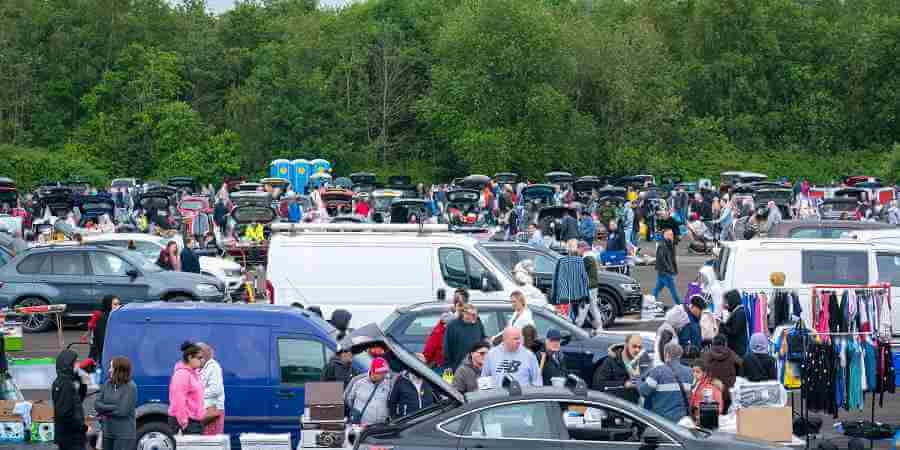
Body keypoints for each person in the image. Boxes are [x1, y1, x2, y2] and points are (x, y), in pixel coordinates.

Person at [638, 342, 693, 423]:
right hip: (682, 420)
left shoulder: (658, 371)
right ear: (680, 355)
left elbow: (644, 391)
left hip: (662, 420)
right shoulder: (689, 371)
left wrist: (638, 381)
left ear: (666, 354)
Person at [95, 357, 137, 450]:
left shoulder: (130, 387)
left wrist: (104, 410)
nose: (109, 370)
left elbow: (123, 411)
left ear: (119, 370)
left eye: (111, 367)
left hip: (124, 435)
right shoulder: (107, 384)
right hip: (108, 432)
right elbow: (97, 404)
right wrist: (115, 407)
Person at [53, 349, 88, 450]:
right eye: (76, 361)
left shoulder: (65, 381)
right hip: (71, 438)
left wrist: (83, 382)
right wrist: (83, 428)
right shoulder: (66, 384)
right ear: (69, 364)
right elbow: (66, 414)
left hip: (68, 436)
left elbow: (78, 400)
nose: (78, 364)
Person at [168, 342, 206, 435]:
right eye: (199, 358)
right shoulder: (182, 374)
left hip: (195, 421)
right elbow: (178, 400)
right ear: (190, 357)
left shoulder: (193, 373)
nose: (202, 360)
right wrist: (183, 422)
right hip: (187, 423)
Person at [592, 334, 643, 403]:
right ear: (626, 345)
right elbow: (598, 384)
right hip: (616, 406)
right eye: (634, 346)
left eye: (640, 347)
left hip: (635, 406)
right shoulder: (610, 361)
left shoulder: (641, 361)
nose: (637, 350)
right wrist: (624, 384)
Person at [346, 357, 392, 426]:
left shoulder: (389, 383)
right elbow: (348, 399)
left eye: (385, 372)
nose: (383, 375)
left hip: (381, 426)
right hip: (361, 425)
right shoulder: (358, 381)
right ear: (373, 371)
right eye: (381, 372)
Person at [700, 334, 741, 411]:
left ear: (713, 343)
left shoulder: (706, 355)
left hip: (711, 393)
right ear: (725, 343)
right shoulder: (731, 353)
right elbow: (741, 364)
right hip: (728, 392)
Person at [443, 304, 486, 371]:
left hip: (475, 367)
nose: (475, 317)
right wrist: (448, 366)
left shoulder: (478, 323)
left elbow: (483, 340)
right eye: (473, 315)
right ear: (464, 314)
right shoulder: (452, 326)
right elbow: (447, 348)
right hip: (457, 367)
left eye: (476, 315)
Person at [197, 343, 225, 435]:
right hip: (204, 411)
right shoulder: (201, 368)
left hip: (212, 412)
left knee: (211, 442)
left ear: (204, 355)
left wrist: (196, 393)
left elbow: (216, 390)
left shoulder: (214, 367)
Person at [652, 229, 681, 305]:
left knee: (657, 288)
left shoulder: (668, 243)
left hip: (662, 272)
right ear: (665, 235)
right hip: (666, 272)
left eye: (672, 234)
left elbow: (671, 258)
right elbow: (661, 259)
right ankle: (680, 305)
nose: (672, 236)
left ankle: (650, 302)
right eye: (670, 234)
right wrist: (669, 269)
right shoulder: (662, 245)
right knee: (673, 290)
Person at [90, 295, 121, 364]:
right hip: (106, 356)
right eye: (115, 304)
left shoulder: (118, 317)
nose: (118, 307)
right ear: (108, 305)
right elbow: (101, 342)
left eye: (119, 304)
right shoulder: (102, 319)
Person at [720, 290, 749, 356]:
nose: (726, 304)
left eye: (727, 301)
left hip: (737, 350)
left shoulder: (740, 312)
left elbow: (734, 331)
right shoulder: (736, 311)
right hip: (735, 349)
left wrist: (722, 325)